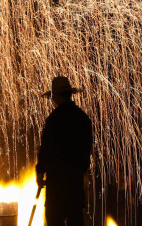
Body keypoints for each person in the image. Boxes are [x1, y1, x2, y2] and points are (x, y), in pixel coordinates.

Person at [36, 76, 94, 226]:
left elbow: (45, 149)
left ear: (55, 96)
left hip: (56, 184)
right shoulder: (83, 118)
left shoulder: (54, 120)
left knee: (54, 220)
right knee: (75, 219)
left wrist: (40, 172)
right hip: (75, 182)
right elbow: (87, 148)